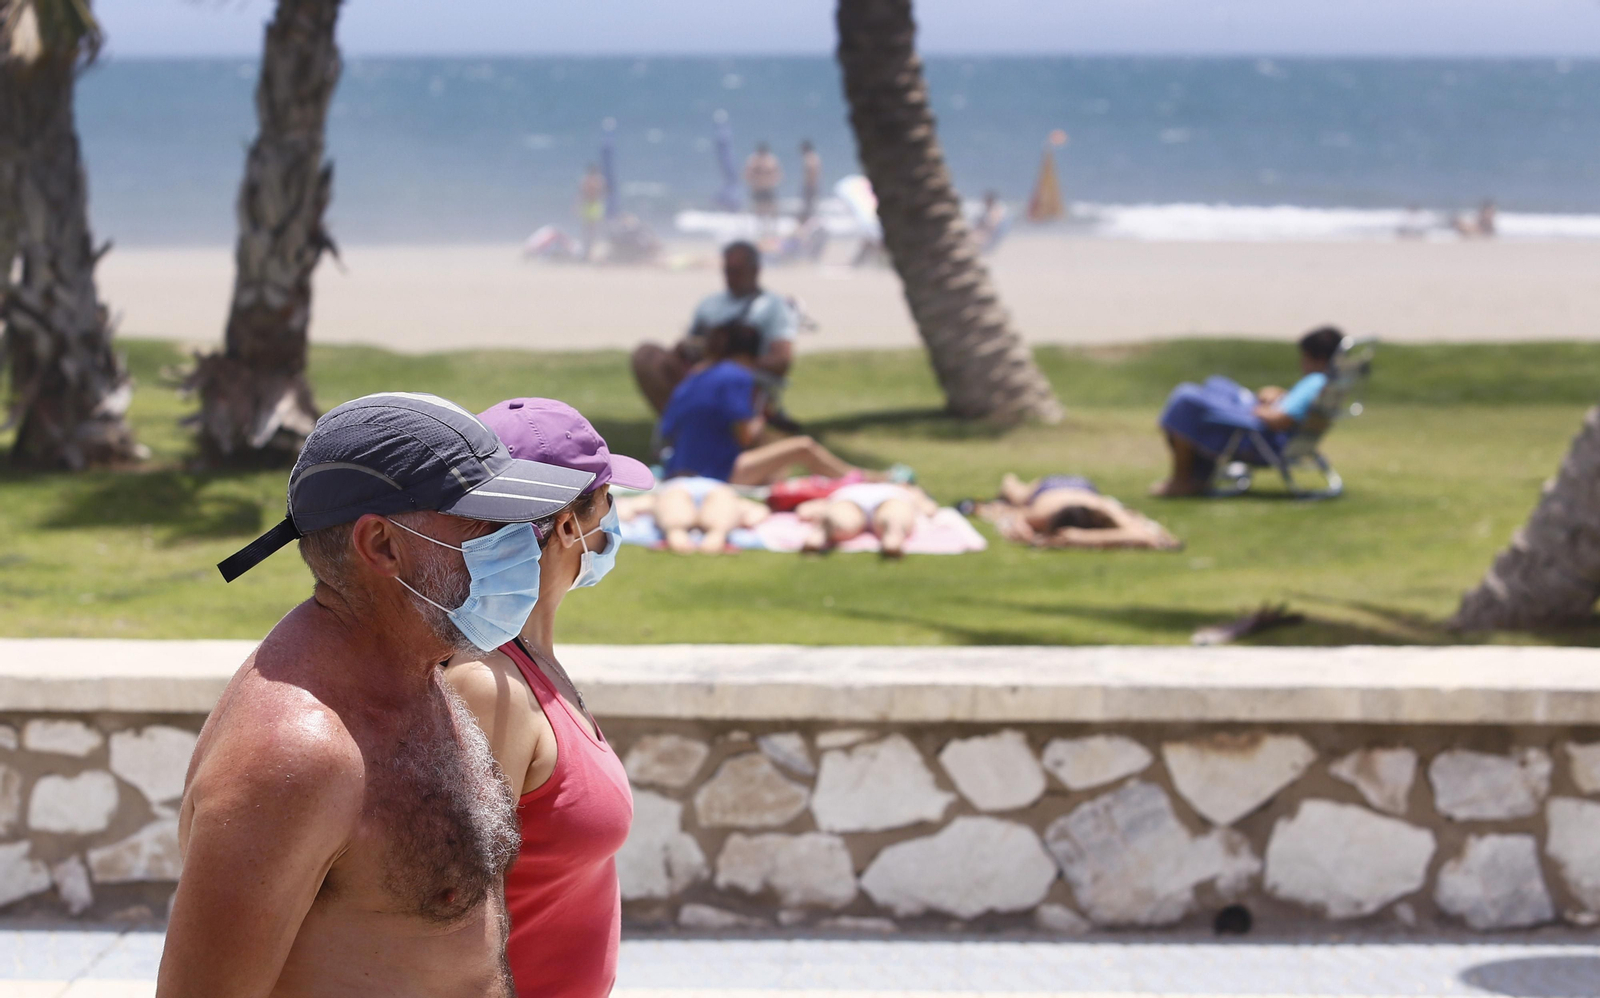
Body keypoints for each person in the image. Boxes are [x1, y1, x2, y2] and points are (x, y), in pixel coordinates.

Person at [162, 392, 598, 997]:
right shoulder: (297, 755)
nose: (523, 546)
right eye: (489, 525)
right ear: (382, 546)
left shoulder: (421, 675)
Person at [442, 397, 653, 998]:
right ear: (568, 526)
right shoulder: (489, 686)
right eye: (607, 502)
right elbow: (451, 913)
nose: (613, 522)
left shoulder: (532, 667)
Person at [657, 321, 861, 487]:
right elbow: (745, 436)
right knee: (803, 447)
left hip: (676, 471)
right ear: (752, 354)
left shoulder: (694, 378)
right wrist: (760, 419)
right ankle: (861, 480)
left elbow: (668, 428)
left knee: (777, 471)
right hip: (716, 474)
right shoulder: (736, 375)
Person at [1152, 326, 1344, 497]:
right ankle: (1195, 476)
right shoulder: (1329, 383)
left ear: (1318, 358)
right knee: (1217, 384)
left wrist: (1259, 409)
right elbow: (1298, 409)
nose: (1301, 363)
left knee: (1186, 399)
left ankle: (1184, 480)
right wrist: (1280, 394)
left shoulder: (1315, 381)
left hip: (1262, 436)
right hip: (1270, 431)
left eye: (1304, 357)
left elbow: (1281, 420)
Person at [630, 241, 796, 415]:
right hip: (695, 371)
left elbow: (781, 360)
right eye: (728, 270)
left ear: (755, 270)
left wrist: (729, 362)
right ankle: (679, 423)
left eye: (737, 271)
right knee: (646, 354)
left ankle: (685, 423)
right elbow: (689, 341)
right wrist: (684, 348)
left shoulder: (773, 307)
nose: (731, 277)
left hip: (738, 379)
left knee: (714, 378)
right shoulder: (709, 303)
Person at [979, 474, 1180, 550]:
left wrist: (1080, 538)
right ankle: (1009, 479)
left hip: (1083, 489)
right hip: (1048, 488)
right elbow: (1016, 519)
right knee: (1015, 493)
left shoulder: (1103, 508)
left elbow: (1143, 537)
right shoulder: (1044, 514)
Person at [798, 482, 939, 557]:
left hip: (849, 497)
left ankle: (826, 528)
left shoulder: (847, 485)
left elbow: (804, 510)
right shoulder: (906, 489)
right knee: (894, 515)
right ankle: (893, 534)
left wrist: (818, 512)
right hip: (894, 497)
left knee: (842, 520)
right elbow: (929, 508)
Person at [745, 141, 782, 219]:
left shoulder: (771, 160)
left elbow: (778, 173)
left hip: (768, 187)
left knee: (771, 207)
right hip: (758, 188)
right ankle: (760, 226)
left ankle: (771, 227)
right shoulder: (753, 160)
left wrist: (773, 182)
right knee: (759, 208)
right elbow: (747, 173)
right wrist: (753, 182)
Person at [579, 163, 606, 261]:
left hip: (592, 206)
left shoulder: (588, 180)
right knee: (589, 231)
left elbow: (582, 193)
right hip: (591, 206)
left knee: (591, 231)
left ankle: (590, 253)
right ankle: (588, 252)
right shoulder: (598, 180)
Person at [799, 140, 822, 222]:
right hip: (813, 185)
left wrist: (809, 184)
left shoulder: (810, 157)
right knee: (811, 206)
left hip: (810, 185)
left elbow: (812, 172)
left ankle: (810, 222)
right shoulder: (814, 157)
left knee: (809, 206)